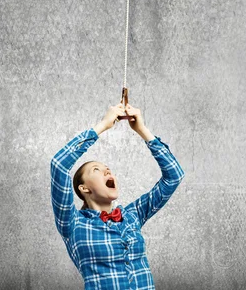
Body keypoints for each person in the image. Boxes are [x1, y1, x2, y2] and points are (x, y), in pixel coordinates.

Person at [50, 101, 184, 290]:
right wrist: (102, 126)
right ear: (84, 188)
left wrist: (142, 130)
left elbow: (174, 176)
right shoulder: (72, 224)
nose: (107, 172)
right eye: (97, 170)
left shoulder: (132, 215)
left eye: (108, 169)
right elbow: (59, 165)